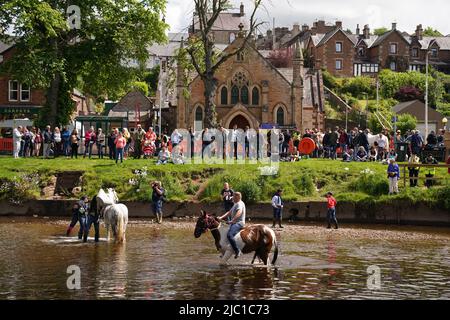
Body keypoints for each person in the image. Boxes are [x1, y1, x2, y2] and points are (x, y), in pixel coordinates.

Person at [219, 192, 246, 259]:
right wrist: (221, 217)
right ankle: (225, 251)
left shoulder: (239, 203)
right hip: (234, 223)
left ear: (237, 197)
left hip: (239, 223)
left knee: (229, 235)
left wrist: (233, 220)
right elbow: (229, 212)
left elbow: (239, 212)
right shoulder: (235, 204)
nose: (232, 198)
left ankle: (237, 250)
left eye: (233, 196)